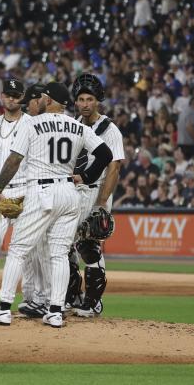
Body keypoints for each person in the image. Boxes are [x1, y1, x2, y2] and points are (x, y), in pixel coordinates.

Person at [0, 83, 112, 328]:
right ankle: (55, 312)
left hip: (42, 190)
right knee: (59, 254)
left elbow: (14, 159)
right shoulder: (77, 125)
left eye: (41, 97)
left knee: (18, 249)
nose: (38, 100)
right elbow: (105, 154)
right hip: (69, 191)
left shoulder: (31, 123)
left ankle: (3, 309)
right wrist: (87, 177)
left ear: (49, 100)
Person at [0, 80, 50, 318]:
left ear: (22, 97)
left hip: (25, 188)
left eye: (16, 95)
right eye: (8, 95)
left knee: (29, 248)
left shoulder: (32, 124)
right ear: (2, 97)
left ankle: (32, 297)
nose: (12, 99)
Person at [67, 74, 125, 317]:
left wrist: (102, 202)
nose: (85, 104)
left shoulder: (109, 129)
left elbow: (115, 166)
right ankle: (72, 297)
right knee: (64, 247)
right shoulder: (71, 124)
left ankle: (93, 302)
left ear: (98, 100)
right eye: (81, 99)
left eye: (89, 98)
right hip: (72, 193)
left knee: (89, 247)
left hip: (94, 193)